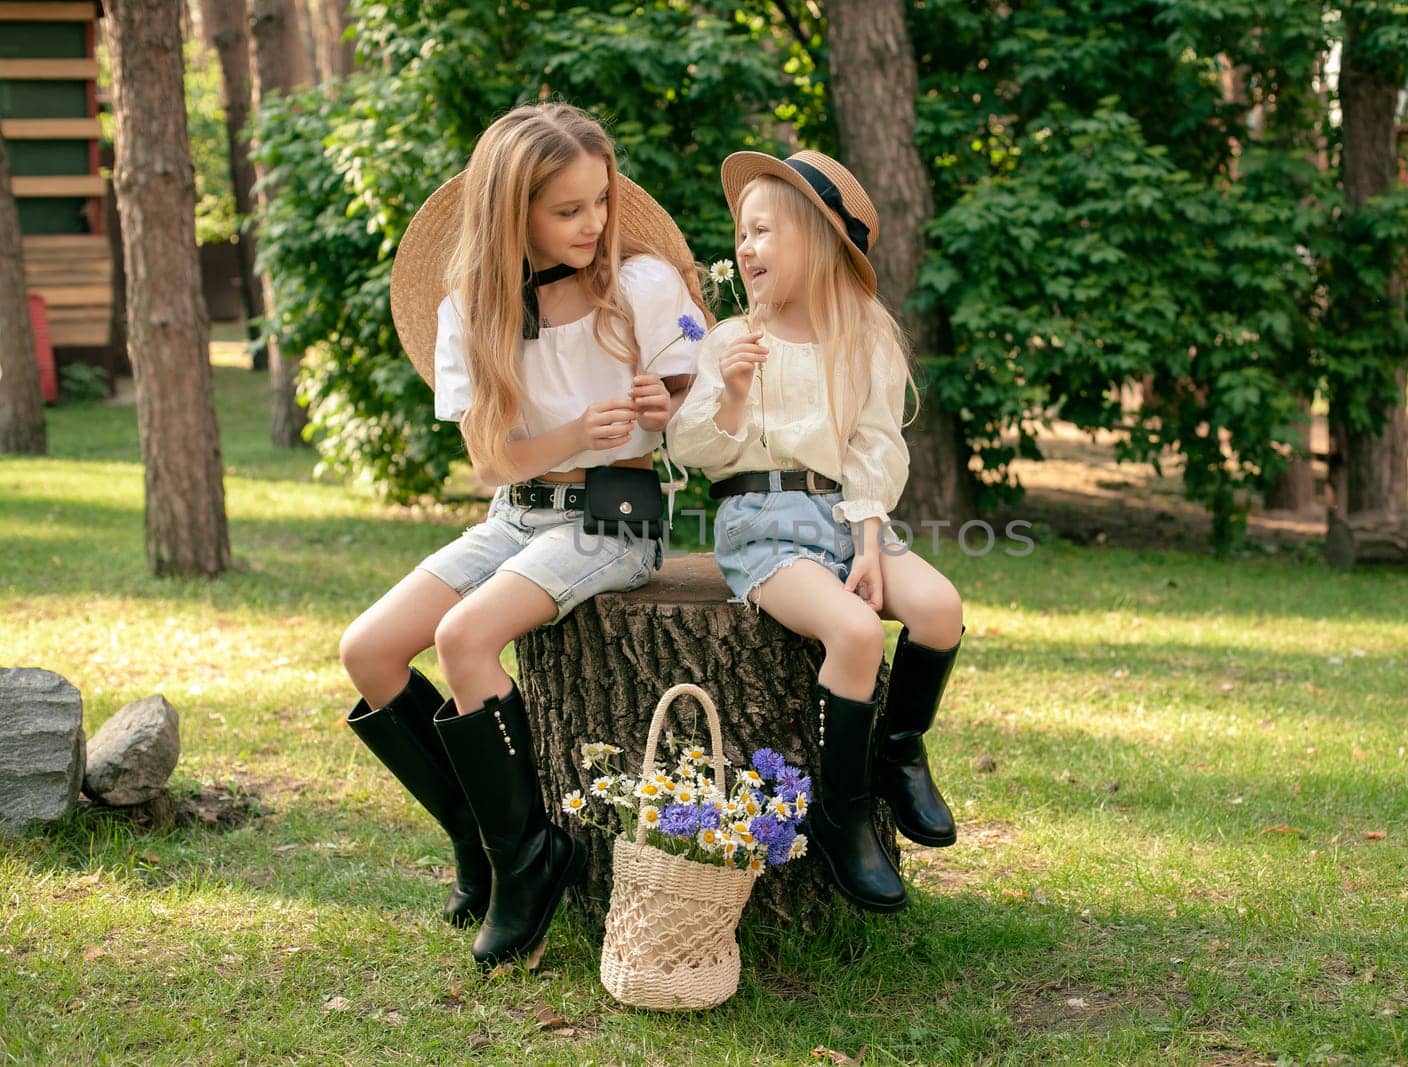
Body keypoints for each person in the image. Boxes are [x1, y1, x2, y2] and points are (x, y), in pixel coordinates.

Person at [338, 102, 706, 967]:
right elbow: (492, 462)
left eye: (601, 201)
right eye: (568, 210)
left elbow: (709, 412)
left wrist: (670, 403)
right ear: (516, 214)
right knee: (369, 650)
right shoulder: (473, 308)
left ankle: (524, 863)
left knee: (465, 636)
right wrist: (579, 428)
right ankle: (491, 840)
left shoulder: (644, 285)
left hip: (621, 514)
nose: (594, 224)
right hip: (518, 514)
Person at [667, 150, 964, 914]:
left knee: (938, 607)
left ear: (818, 241)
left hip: (846, 516)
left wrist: (869, 541)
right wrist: (729, 390)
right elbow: (693, 450)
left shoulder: (864, 335)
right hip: (762, 524)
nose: (745, 246)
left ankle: (898, 752)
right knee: (858, 633)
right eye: (742, 233)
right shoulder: (731, 339)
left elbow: (875, 446)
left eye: (763, 230)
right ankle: (842, 813)